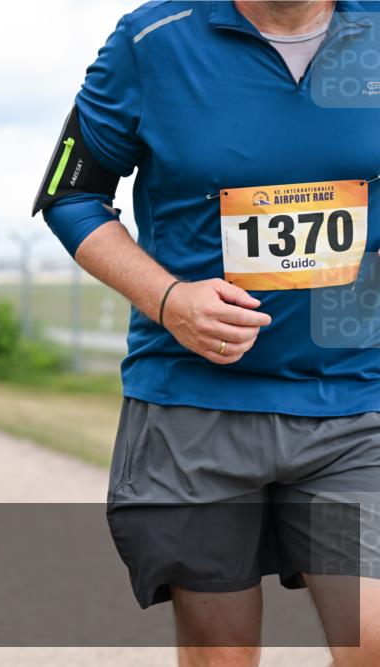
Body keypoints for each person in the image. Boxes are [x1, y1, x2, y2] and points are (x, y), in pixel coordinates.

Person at [32, 1, 379, 665]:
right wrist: (168, 300)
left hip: (355, 401)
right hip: (195, 408)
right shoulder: (151, 41)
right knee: (222, 657)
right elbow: (68, 194)